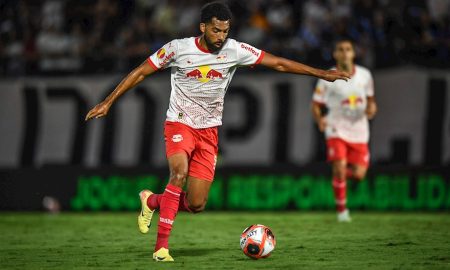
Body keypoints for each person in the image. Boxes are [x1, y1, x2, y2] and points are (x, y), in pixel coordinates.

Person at [85, 2, 350, 262]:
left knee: (197, 204)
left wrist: (320, 73)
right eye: (216, 31)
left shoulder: (235, 50)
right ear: (203, 27)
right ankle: (161, 248)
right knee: (178, 173)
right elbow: (142, 71)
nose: (221, 37)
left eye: (225, 31)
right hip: (179, 123)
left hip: (209, 131)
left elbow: (278, 63)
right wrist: (108, 101)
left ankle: (153, 201)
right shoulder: (178, 48)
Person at [311, 39, 377, 222]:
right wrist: (319, 120)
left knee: (359, 175)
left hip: (359, 131)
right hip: (336, 128)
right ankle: (342, 212)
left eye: (348, 49)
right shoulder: (327, 77)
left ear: (353, 53)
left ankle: (336, 178)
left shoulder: (365, 75)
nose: (345, 52)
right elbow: (316, 105)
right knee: (340, 166)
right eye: (341, 49)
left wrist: (372, 108)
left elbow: (371, 101)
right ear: (335, 54)